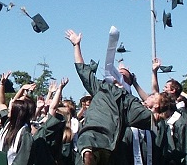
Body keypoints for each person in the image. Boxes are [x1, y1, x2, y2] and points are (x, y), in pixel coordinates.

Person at [63, 28, 165, 165]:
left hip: (110, 142)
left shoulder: (129, 100)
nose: (118, 74)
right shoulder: (102, 86)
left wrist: (158, 114)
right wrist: (76, 46)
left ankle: (90, 153)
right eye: (118, 72)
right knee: (87, 140)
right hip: (91, 135)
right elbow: (83, 71)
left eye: (124, 74)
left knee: (91, 143)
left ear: (129, 81)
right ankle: (88, 153)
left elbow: (149, 115)